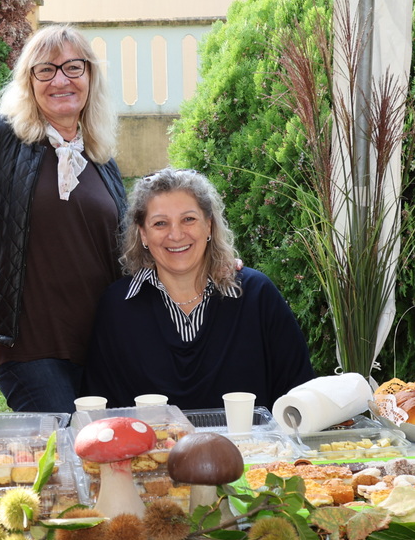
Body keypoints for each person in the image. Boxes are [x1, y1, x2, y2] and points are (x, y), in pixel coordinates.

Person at [0, 25, 126, 414]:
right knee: (64, 451)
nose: (61, 80)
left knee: (103, 459)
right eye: (46, 70)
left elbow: (128, 249)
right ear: (29, 80)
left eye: (74, 67)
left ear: (90, 76)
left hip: (102, 347)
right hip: (29, 349)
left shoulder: (101, 157)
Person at [83, 168, 315, 410]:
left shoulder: (257, 296)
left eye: (188, 219)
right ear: (143, 234)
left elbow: (299, 396)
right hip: (152, 449)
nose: (176, 234)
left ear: (209, 225)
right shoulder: (117, 307)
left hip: (248, 448)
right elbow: (101, 412)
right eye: (160, 223)